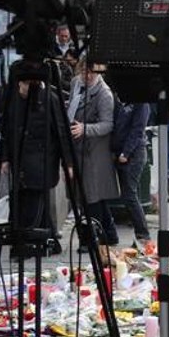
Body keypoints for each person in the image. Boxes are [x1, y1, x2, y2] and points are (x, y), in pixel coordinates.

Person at [0, 70, 68, 258]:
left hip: (42, 160)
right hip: (20, 159)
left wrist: (68, 163)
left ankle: (27, 243)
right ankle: (49, 240)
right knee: (24, 199)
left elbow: (61, 132)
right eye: (23, 85)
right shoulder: (7, 96)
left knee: (34, 200)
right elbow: (5, 131)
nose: (25, 90)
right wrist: (5, 157)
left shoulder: (49, 99)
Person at [68, 59, 120, 256]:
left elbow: (108, 124)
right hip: (78, 147)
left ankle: (90, 240)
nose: (87, 76)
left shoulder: (104, 93)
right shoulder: (75, 83)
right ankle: (111, 234)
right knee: (90, 196)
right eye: (83, 71)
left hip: (94, 152)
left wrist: (85, 128)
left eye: (91, 72)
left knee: (91, 196)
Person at [110, 93, 151, 244]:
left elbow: (137, 129)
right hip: (120, 151)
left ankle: (143, 234)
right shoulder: (119, 98)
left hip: (133, 153)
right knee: (128, 195)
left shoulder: (141, 103)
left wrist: (126, 152)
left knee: (129, 195)